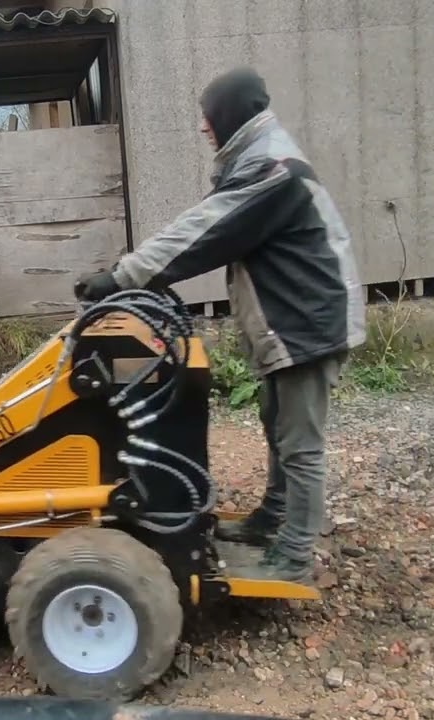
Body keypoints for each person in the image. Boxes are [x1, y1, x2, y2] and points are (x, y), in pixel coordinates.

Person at [72, 67, 366, 584]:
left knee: (300, 443)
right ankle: (272, 520)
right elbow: (210, 226)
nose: (204, 128)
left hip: (308, 324)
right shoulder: (257, 159)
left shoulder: (272, 168)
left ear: (229, 116)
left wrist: (122, 277)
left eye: (207, 118)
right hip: (295, 320)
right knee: (278, 426)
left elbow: (203, 231)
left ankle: (294, 556)